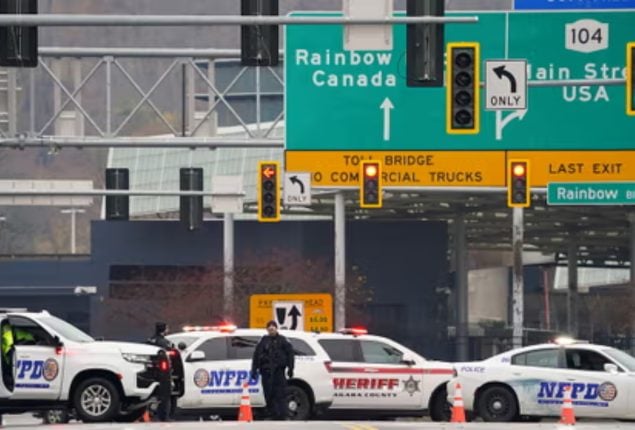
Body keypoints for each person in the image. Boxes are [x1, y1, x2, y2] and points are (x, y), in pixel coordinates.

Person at [250, 320, 294, 421]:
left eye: (273, 327)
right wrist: (254, 369)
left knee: (280, 394)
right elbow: (256, 356)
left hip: (278, 372)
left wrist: (290, 368)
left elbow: (290, 355)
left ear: (276, 328)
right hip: (266, 372)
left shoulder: (283, 341)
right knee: (268, 393)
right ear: (267, 329)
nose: (271, 329)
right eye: (269, 328)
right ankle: (272, 413)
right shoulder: (263, 341)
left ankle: (282, 414)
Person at [146, 322, 173, 422]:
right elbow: (171, 354)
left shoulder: (150, 340)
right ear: (164, 329)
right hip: (163, 372)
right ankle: (164, 417)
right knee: (165, 395)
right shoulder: (165, 342)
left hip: (149, 371)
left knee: (150, 395)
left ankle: (149, 414)